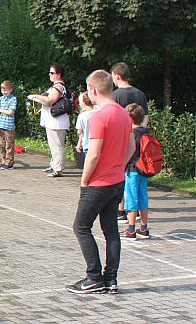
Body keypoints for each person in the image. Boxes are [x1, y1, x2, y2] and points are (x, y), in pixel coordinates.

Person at [67, 69, 134, 295]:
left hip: (98, 183)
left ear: (93, 90)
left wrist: (84, 180)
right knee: (111, 230)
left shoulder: (99, 116)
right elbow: (131, 148)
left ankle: (94, 277)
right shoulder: (124, 114)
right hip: (117, 182)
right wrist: (119, 166)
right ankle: (111, 279)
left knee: (81, 226)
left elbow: (93, 154)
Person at [111, 62, 149, 223]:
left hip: (122, 138)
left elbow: (112, 117)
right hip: (140, 137)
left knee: (122, 174)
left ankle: (122, 210)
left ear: (118, 76)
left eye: (112, 76)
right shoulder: (140, 94)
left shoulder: (115, 95)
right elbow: (145, 115)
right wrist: (141, 131)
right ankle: (137, 212)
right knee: (139, 176)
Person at [27, 63, 70, 178]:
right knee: (53, 145)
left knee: (57, 145)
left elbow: (50, 100)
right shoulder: (55, 86)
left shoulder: (58, 86)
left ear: (59, 74)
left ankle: (58, 169)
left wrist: (35, 96)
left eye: (52, 73)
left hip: (57, 121)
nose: (49, 75)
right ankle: (54, 165)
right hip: (54, 121)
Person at [120, 103, 152, 241]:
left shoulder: (131, 134)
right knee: (143, 196)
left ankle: (131, 229)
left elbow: (126, 152)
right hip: (144, 169)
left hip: (132, 169)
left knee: (131, 198)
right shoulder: (147, 132)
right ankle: (144, 228)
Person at [0, 80, 17, 170]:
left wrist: (0, 110)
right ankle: (3, 161)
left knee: (9, 145)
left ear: (10, 90)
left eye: (6, 90)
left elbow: (11, 112)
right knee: (1, 145)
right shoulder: (0, 99)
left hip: (9, 126)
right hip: (1, 125)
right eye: (2, 90)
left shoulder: (13, 99)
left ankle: (9, 162)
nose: (4, 92)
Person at [75, 92, 97, 159]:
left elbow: (80, 132)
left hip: (87, 144)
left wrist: (79, 144)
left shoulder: (81, 116)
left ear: (83, 103)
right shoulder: (98, 111)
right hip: (98, 144)